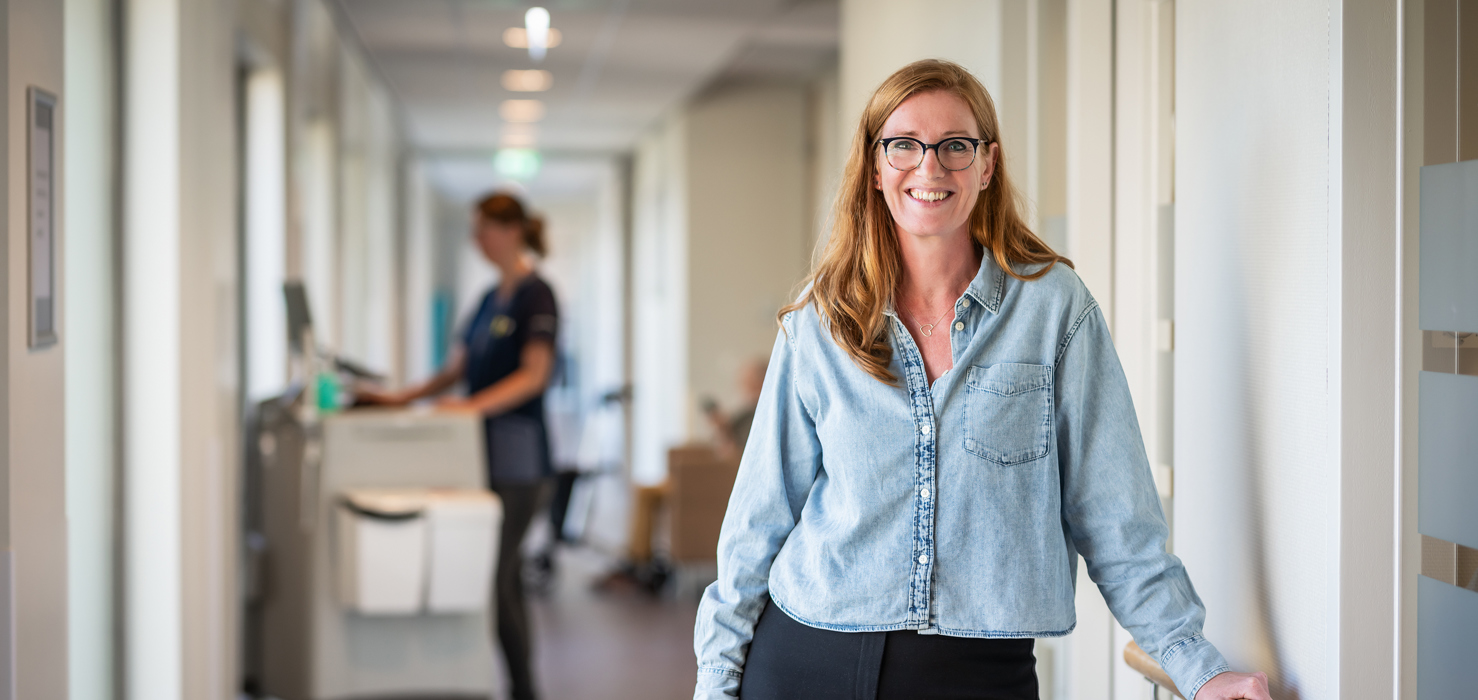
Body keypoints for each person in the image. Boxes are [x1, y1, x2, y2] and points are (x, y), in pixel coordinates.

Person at [692, 59, 1272, 700]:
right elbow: (759, 518)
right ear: (876, 166)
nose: (930, 167)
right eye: (904, 145)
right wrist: (716, 678)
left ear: (988, 164)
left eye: (955, 147)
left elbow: (1115, 515)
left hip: (977, 675)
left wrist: (1198, 668)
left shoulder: (1053, 309)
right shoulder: (821, 317)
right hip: (806, 658)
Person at [359, 192, 557, 700]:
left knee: (498, 578)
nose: (475, 239)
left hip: (520, 459)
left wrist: (471, 408)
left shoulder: (537, 295)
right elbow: (458, 368)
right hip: (480, 454)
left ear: (511, 230)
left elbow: (534, 376)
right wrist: (399, 398)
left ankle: (523, 688)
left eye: (483, 228)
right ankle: (513, 685)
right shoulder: (491, 297)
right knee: (498, 579)